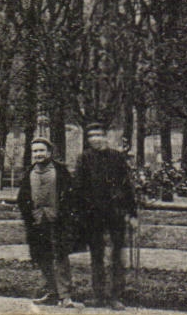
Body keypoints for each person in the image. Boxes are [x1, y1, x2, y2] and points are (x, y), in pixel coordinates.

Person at [73, 125, 137, 309]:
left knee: (117, 255)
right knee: (96, 255)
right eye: (91, 136)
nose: (95, 139)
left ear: (106, 137)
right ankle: (98, 295)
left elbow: (127, 187)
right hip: (93, 215)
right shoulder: (84, 158)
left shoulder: (117, 157)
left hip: (115, 214)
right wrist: (80, 213)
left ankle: (115, 296)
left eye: (99, 135)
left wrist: (132, 214)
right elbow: (78, 187)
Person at [17, 137, 78, 307]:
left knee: (60, 257)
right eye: (35, 151)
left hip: (58, 221)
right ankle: (51, 292)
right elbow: (22, 199)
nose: (38, 154)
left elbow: (71, 196)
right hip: (37, 222)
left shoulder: (60, 171)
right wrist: (29, 216)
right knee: (42, 257)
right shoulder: (28, 173)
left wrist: (66, 216)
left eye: (41, 150)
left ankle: (65, 296)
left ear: (49, 152)